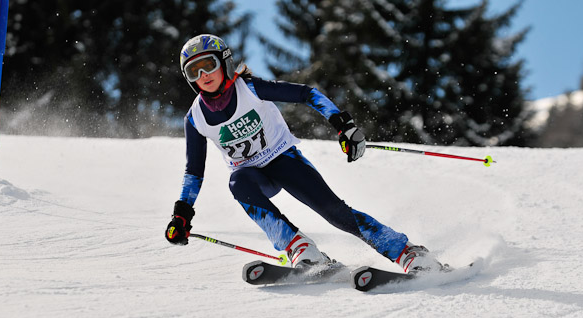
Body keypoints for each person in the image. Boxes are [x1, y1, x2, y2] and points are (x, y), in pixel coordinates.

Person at [165, 34, 441, 274]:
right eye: (194, 72)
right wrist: (182, 214)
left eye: (208, 65)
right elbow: (194, 172)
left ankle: (408, 253)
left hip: (284, 160)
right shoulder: (195, 118)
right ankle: (301, 250)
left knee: (335, 214)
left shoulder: (250, 88)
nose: (203, 76)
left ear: (224, 62)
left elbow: (308, 94)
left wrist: (342, 126)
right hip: (251, 176)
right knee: (237, 182)